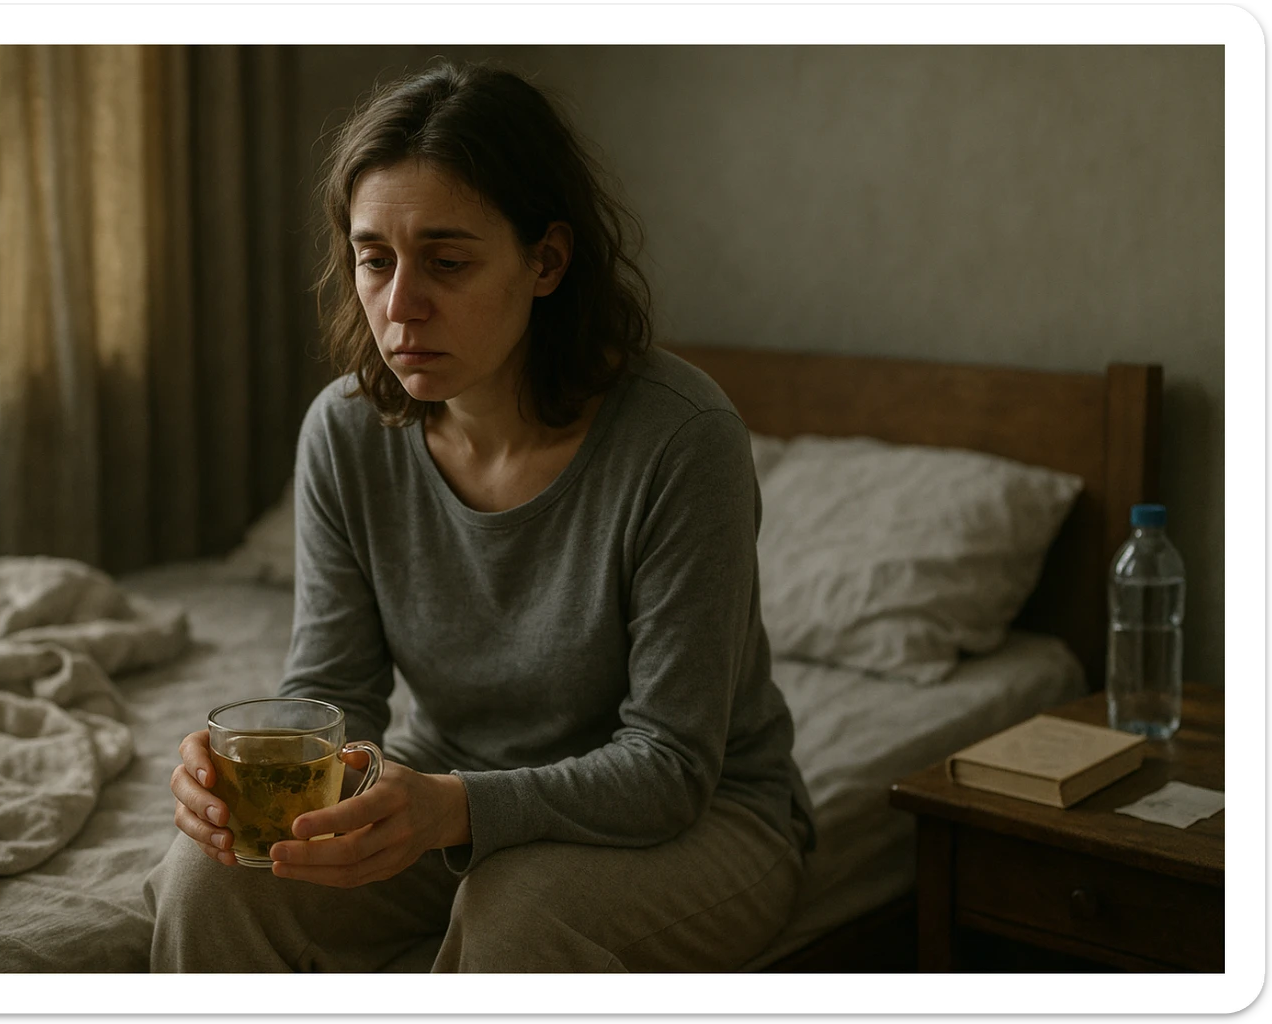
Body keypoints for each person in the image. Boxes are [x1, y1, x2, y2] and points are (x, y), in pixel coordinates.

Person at [144, 59, 816, 973]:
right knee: (209, 878)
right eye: (374, 260)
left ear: (547, 260)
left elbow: (670, 767)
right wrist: (251, 769)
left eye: (448, 263)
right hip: (447, 778)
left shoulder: (681, 439)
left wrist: (453, 807)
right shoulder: (344, 433)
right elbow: (338, 697)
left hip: (706, 813)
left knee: (518, 908)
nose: (400, 305)